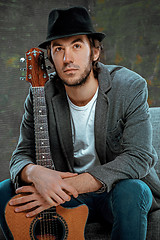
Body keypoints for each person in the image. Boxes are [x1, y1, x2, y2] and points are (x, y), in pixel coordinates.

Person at [0, 6, 160, 240]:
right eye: (58, 49)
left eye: (76, 45)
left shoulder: (130, 87)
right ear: (51, 58)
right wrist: (34, 173)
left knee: (132, 189)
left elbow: (138, 158)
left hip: (114, 192)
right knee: (5, 190)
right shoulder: (40, 94)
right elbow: (20, 155)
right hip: (66, 199)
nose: (68, 59)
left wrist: (65, 187)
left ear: (95, 52)